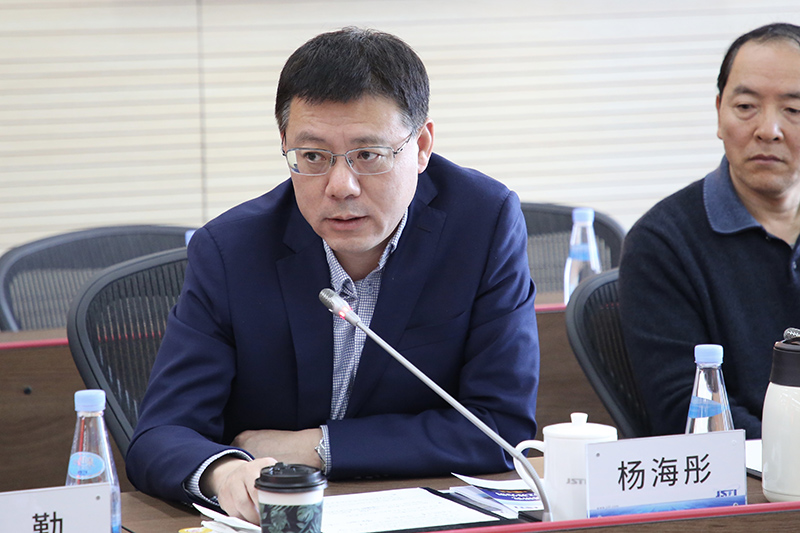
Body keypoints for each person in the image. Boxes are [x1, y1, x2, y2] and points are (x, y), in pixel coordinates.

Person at [125, 27, 540, 523]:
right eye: (313, 157)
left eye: (368, 155)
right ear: (286, 146)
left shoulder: (483, 225)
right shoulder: (231, 251)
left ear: (421, 146)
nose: (341, 186)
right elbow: (160, 436)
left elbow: (500, 427)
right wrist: (229, 474)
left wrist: (319, 447)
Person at [619, 22, 800, 440]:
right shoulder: (661, 244)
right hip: (747, 473)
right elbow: (691, 415)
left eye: (794, 110)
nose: (768, 129)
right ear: (719, 112)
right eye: (746, 106)